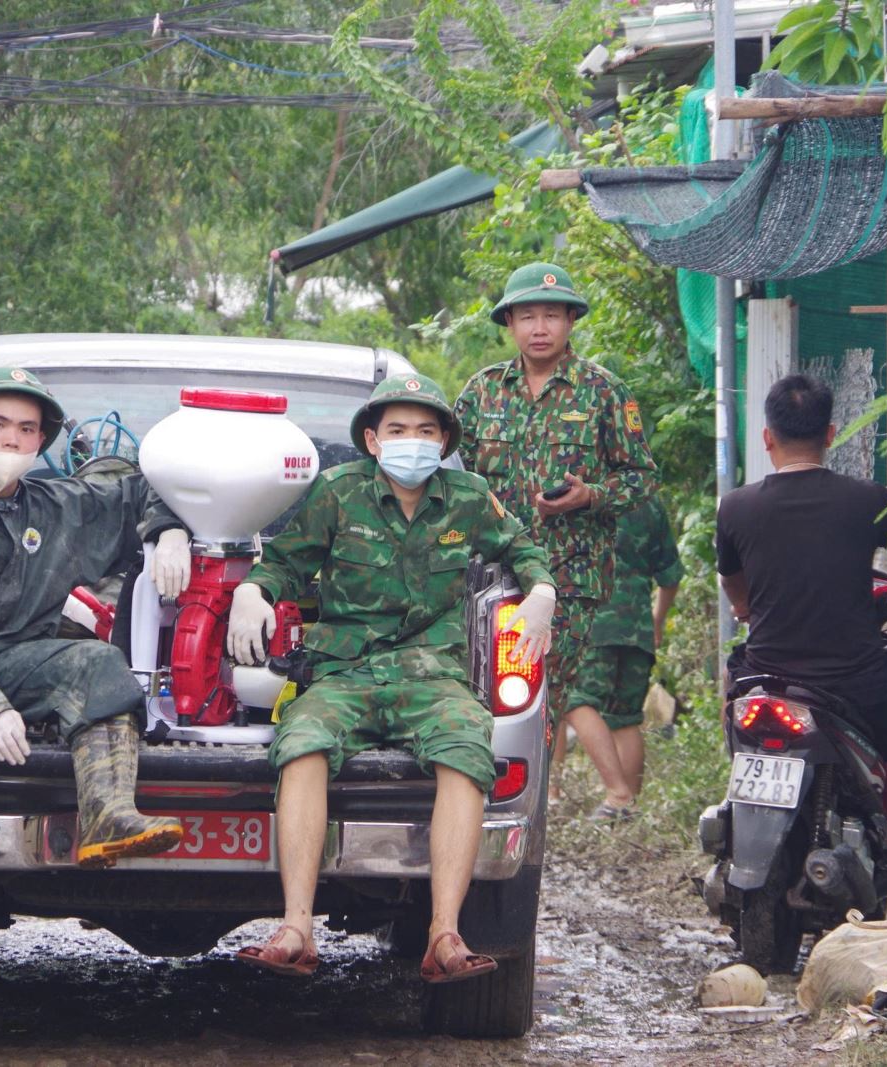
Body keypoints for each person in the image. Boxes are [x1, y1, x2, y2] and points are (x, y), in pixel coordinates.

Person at [0, 366, 199, 977]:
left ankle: (107, 816)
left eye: (27, 430)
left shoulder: (60, 506)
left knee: (100, 666)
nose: (12, 441)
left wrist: (171, 529)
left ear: (41, 441)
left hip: (19, 657)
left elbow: (146, 488)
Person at [227, 373, 556, 982]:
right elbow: (286, 561)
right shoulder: (337, 492)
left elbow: (521, 545)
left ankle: (444, 933)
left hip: (433, 675)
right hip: (344, 671)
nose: (413, 442)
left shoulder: (468, 497)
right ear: (374, 442)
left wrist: (541, 589)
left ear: (444, 442)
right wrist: (254, 590)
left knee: (467, 748)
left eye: (426, 431)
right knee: (301, 745)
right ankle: (296, 924)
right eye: (399, 431)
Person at [716, 373, 887, 901]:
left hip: (765, 675)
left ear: (768, 437)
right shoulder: (871, 499)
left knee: (734, 703)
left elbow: (735, 590)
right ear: (831, 433)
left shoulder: (735, 508)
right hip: (856, 679)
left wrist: (746, 609)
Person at [454, 262, 658, 820]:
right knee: (475, 691)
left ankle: (523, 812)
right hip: (486, 574)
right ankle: (468, 800)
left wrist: (590, 495)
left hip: (569, 577)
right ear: (510, 323)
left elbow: (642, 477)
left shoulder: (604, 392)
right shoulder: (480, 393)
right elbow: (447, 476)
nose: (539, 327)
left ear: (570, 320)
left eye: (551, 315)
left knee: (540, 695)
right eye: (527, 316)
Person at [587, 495, 684, 799]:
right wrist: (656, 621)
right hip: (638, 627)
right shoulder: (650, 504)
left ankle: (618, 795)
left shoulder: (580, 495)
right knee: (626, 718)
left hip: (594, 624)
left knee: (576, 703)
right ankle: (628, 811)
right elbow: (671, 576)